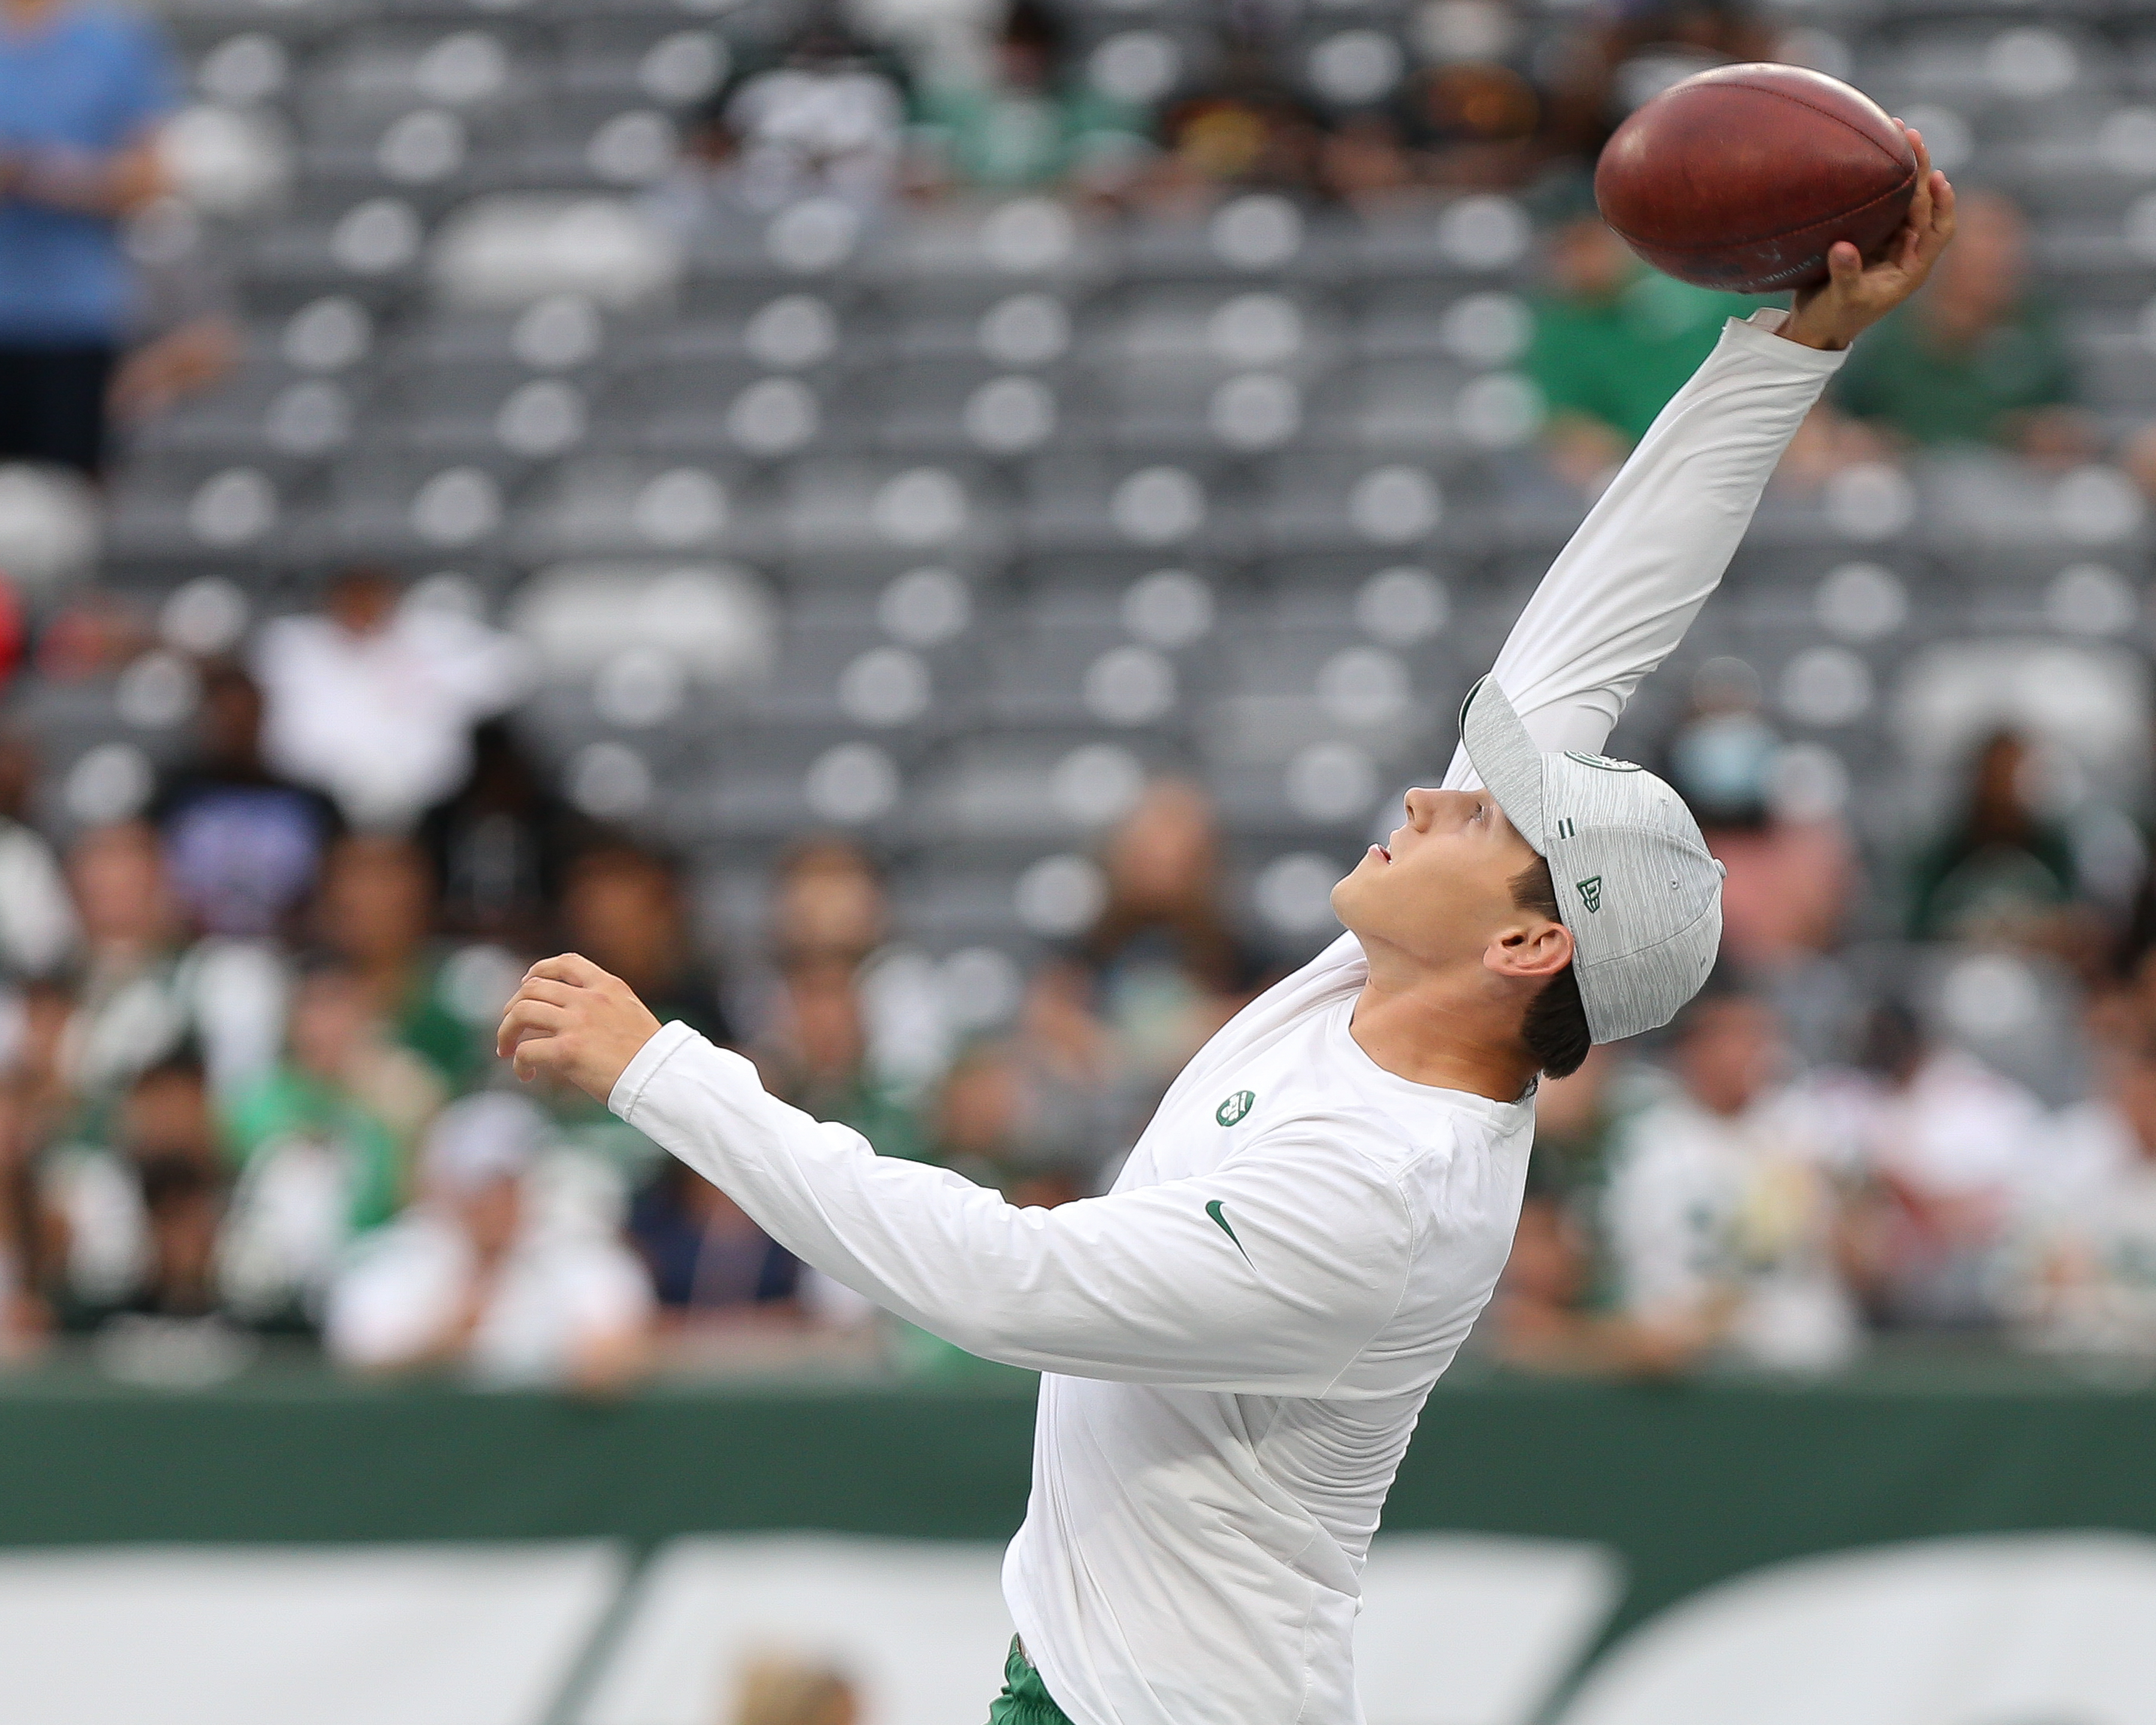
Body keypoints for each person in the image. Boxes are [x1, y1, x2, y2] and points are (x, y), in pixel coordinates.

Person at [496, 137, 1954, 1725]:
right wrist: (1791, 347)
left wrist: (666, 1074)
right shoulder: (1415, 984)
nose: (1439, 790)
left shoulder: (1384, 1195)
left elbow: (995, 1283)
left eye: (1485, 812)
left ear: (1530, 947)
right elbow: (1601, 621)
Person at [1601, 982, 1863, 1372]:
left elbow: (1866, 1265)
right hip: (1679, 1369)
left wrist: (1840, 1203)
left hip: (1801, 1363)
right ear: (1690, 1048)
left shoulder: (1807, 1130)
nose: (1750, 1052)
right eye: (1732, 1037)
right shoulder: (1643, 1139)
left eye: (1760, 1036)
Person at [324, 1092, 653, 1389]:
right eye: (485, 1185)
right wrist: (449, 1337)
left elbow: (617, 1341)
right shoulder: (398, 1258)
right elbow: (361, 1355)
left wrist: (610, 1356)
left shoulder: (577, 1255)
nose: (500, 1201)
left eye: (513, 1183)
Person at [0, 0, 177, 476]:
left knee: (64, 504)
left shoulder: (110, 41)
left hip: (73, 322)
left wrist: (38, 177)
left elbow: (153, 177)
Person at [1830, 191, 2084, 462]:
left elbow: (2070, 420)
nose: (2005, 256)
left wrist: (2054, 436)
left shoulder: (2038, 335)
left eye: (2011, 240)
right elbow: (1840, 422)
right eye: (1990, 237)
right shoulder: (1887, 337)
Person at [1525, 207, 1758, 491]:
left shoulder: (1691, 287)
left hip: (1738, 434)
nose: (1584, 260)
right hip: (1641, 461)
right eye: (1569, 250)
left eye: (1590, 245)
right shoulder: (1559, 331)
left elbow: (1761, 355)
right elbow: (1567, 422)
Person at [152, 660, 344, 942]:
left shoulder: (309, 803)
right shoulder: (175, 798)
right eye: (225, 714)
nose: (235, 726)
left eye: (245, 714)